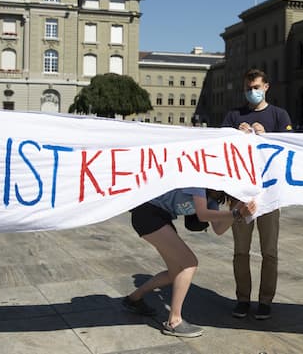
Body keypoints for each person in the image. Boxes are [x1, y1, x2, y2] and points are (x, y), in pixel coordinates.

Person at [124, 188, 256, 337]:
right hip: (148, 214)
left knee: (175, 273)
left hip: (162, 219)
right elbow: (202, 214)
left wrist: (237, 207)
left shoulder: (212, 200)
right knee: (189, 263)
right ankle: (174, 321)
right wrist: (236, 213)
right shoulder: (198, 184)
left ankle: (133, 299)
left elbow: (218, 228)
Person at [221, 69, 292, 320]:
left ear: (266, 87)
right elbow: (219, 149)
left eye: (256, 87)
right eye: (249, 88)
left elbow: (291, 149)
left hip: (269, 196)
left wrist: (268, 136)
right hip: (241, 194)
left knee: (269, 252)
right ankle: (242, 299)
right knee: (241, 251)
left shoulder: (279, 115)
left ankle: (265, 301)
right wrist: (233, 135)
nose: (252, 92)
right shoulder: (233, 116)